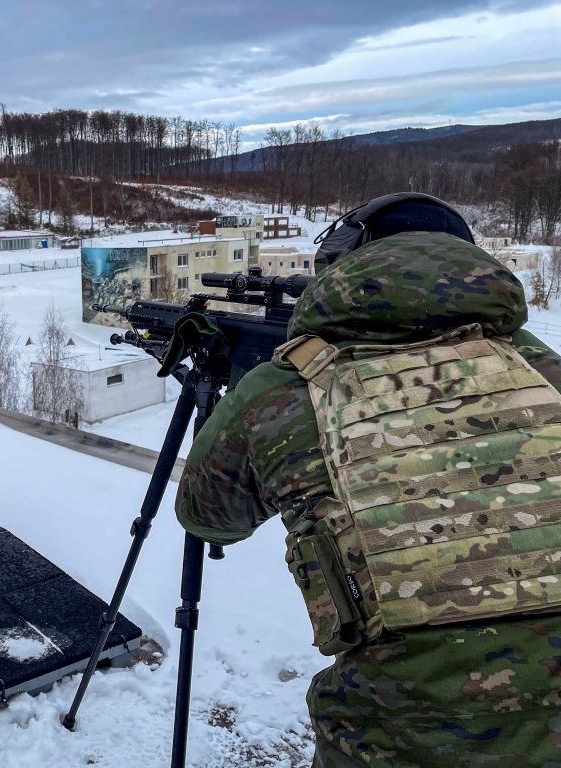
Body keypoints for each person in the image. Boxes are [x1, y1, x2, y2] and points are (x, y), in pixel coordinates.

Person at [175, 194, 561, 767]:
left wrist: (254, 409)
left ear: (343, 263)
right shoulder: (545, 371)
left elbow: (207, 518)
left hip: (395, 741)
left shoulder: (285, 387)